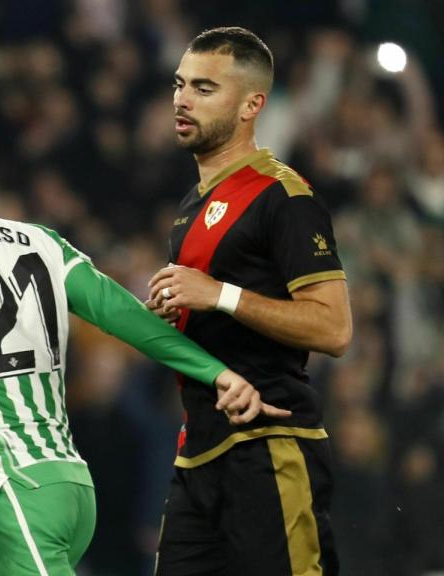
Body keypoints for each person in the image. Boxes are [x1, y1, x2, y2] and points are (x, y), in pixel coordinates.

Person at [0, 100, 288, 576]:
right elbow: (124, 315)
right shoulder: (39, 240)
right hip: (66, 488)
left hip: (9, 492)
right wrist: (214, 371)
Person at [145, 27, 352, 576]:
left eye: (205, 88)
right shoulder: (191, 207)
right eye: (180, 83)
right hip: (198, 454)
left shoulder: (283, 196)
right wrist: (179, 313)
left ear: (251, 105)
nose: (182, 99)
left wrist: (219, 294)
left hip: (270, 444)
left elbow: (334, 329)